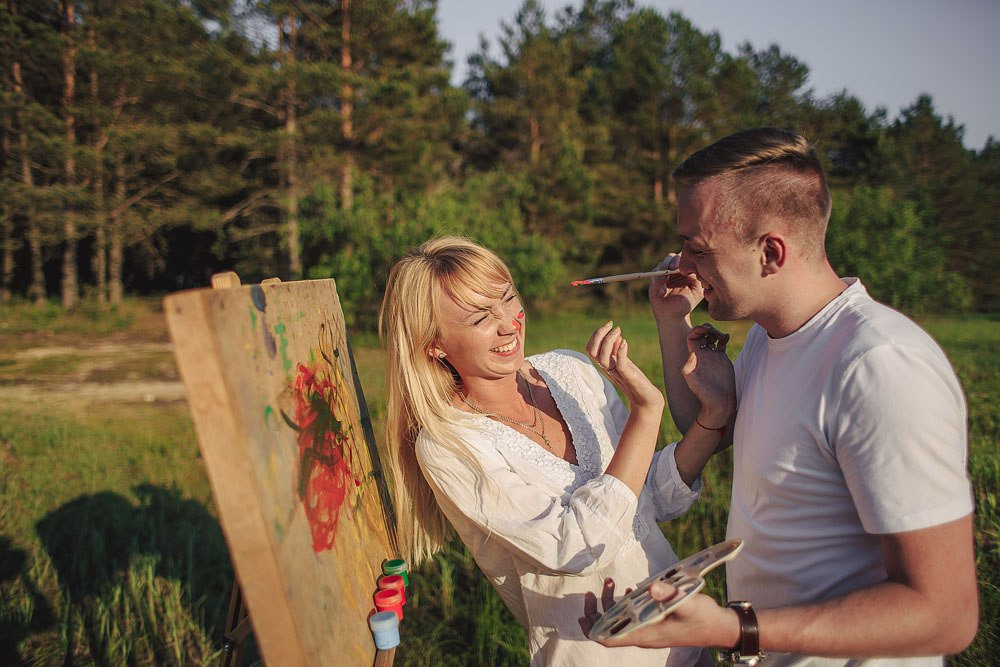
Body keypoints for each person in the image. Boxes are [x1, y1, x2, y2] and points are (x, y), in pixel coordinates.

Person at [580, 127, 978, 666]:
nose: (680, 266)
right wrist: (673, 324)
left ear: (770, 252)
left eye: (697, 249)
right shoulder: (773, 338)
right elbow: (703, 421)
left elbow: (945, 615)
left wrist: (734, 629)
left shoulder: (877, 365)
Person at [379, 236, 736, 666]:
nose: (509, 323)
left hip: (684, 636)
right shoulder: (448, 444)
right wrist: (647, 411)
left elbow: (647, 496)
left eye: (508, 297)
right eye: (480, 317)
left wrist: (710, 419)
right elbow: (579, 546)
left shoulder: (569, 369)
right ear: (434, 343)